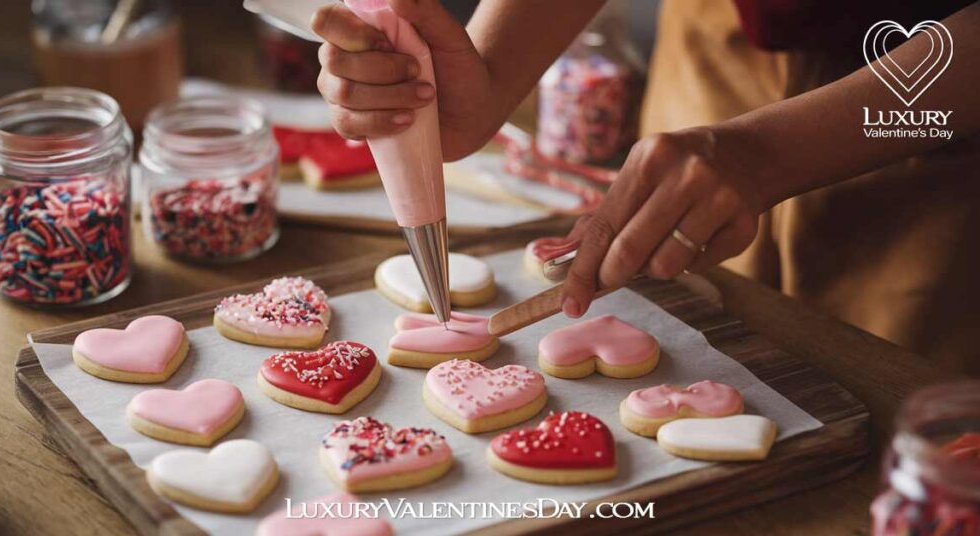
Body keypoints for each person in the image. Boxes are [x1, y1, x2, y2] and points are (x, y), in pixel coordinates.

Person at [311, 0, 979, 371]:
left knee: (893, 402)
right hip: (717, 45)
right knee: (687, 300)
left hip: (935, 95)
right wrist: (491, 70)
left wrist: (768, 153)